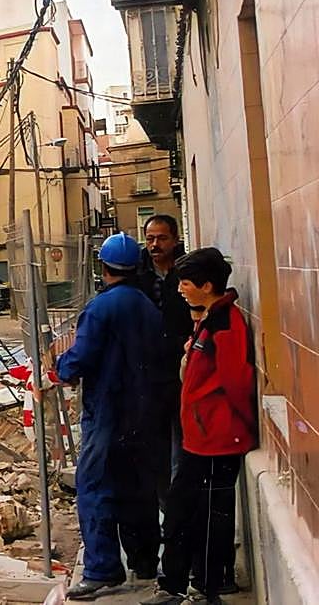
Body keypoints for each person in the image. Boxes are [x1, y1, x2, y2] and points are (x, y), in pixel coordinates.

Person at [142, 248, 255, 605]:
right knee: (180, 512)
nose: (180, 290)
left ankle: (207, 587)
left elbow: (237, 382)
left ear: (206, 286)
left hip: (218, 439)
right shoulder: (209, 319)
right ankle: (174, 582)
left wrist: (243, 427)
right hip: (200, 436)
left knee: (209, 518)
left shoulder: (226, 325)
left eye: (186, 283)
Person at [54, 233, 162, 600]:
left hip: (107, 412)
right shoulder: (147, 304)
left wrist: (59, 367)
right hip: (144, 412)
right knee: (138, 487)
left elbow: (79, 359)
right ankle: (145, 561)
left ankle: (102, 569)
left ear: (103, 266)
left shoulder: (101, 308)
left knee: (97, 488)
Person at [136, 214, 192, 506]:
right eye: (150, 239)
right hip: (150, 373)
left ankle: (184, 501)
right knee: (156, 441)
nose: (155, 245)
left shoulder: (187, 272)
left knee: (184, 439)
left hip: (184, 370)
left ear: (175, 239)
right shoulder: (138, 273)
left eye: (161, 238)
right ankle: (165, 502)